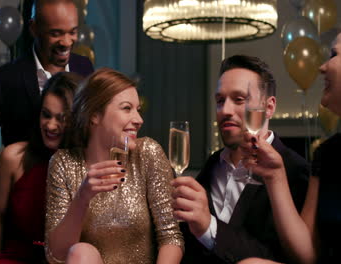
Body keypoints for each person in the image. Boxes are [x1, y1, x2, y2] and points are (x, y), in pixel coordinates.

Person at [171, 55, 309, 263]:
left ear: (269, 107)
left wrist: (209, 226)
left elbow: (284, 259)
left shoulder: (297, 172)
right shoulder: (213, 165)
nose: (225, 111)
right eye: (220, 100)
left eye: (239, 99)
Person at [44, 68, 184, 264]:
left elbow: (171, 237)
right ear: (94, 115)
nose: (138, 120)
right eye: (127, 108)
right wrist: (82, 197)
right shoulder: (64, 163)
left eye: (138, 109)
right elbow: (56, 255)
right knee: (81, 252)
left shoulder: (147, 153)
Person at [239, 32, 341, 264]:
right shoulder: (328, 153)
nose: (322, 67)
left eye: (334, 54)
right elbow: (307, 252)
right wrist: (275, 175)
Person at [0, 72, 81, 264]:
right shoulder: (14, 158)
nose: (51, 126)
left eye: (61, 118)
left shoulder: (84, 164)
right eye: (46, 115)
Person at [0, 0, 94, 146]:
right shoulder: (5, 79)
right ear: (34, 28)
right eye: (56, 33)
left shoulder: (84, 67)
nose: (67, 42)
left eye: (72, 32)